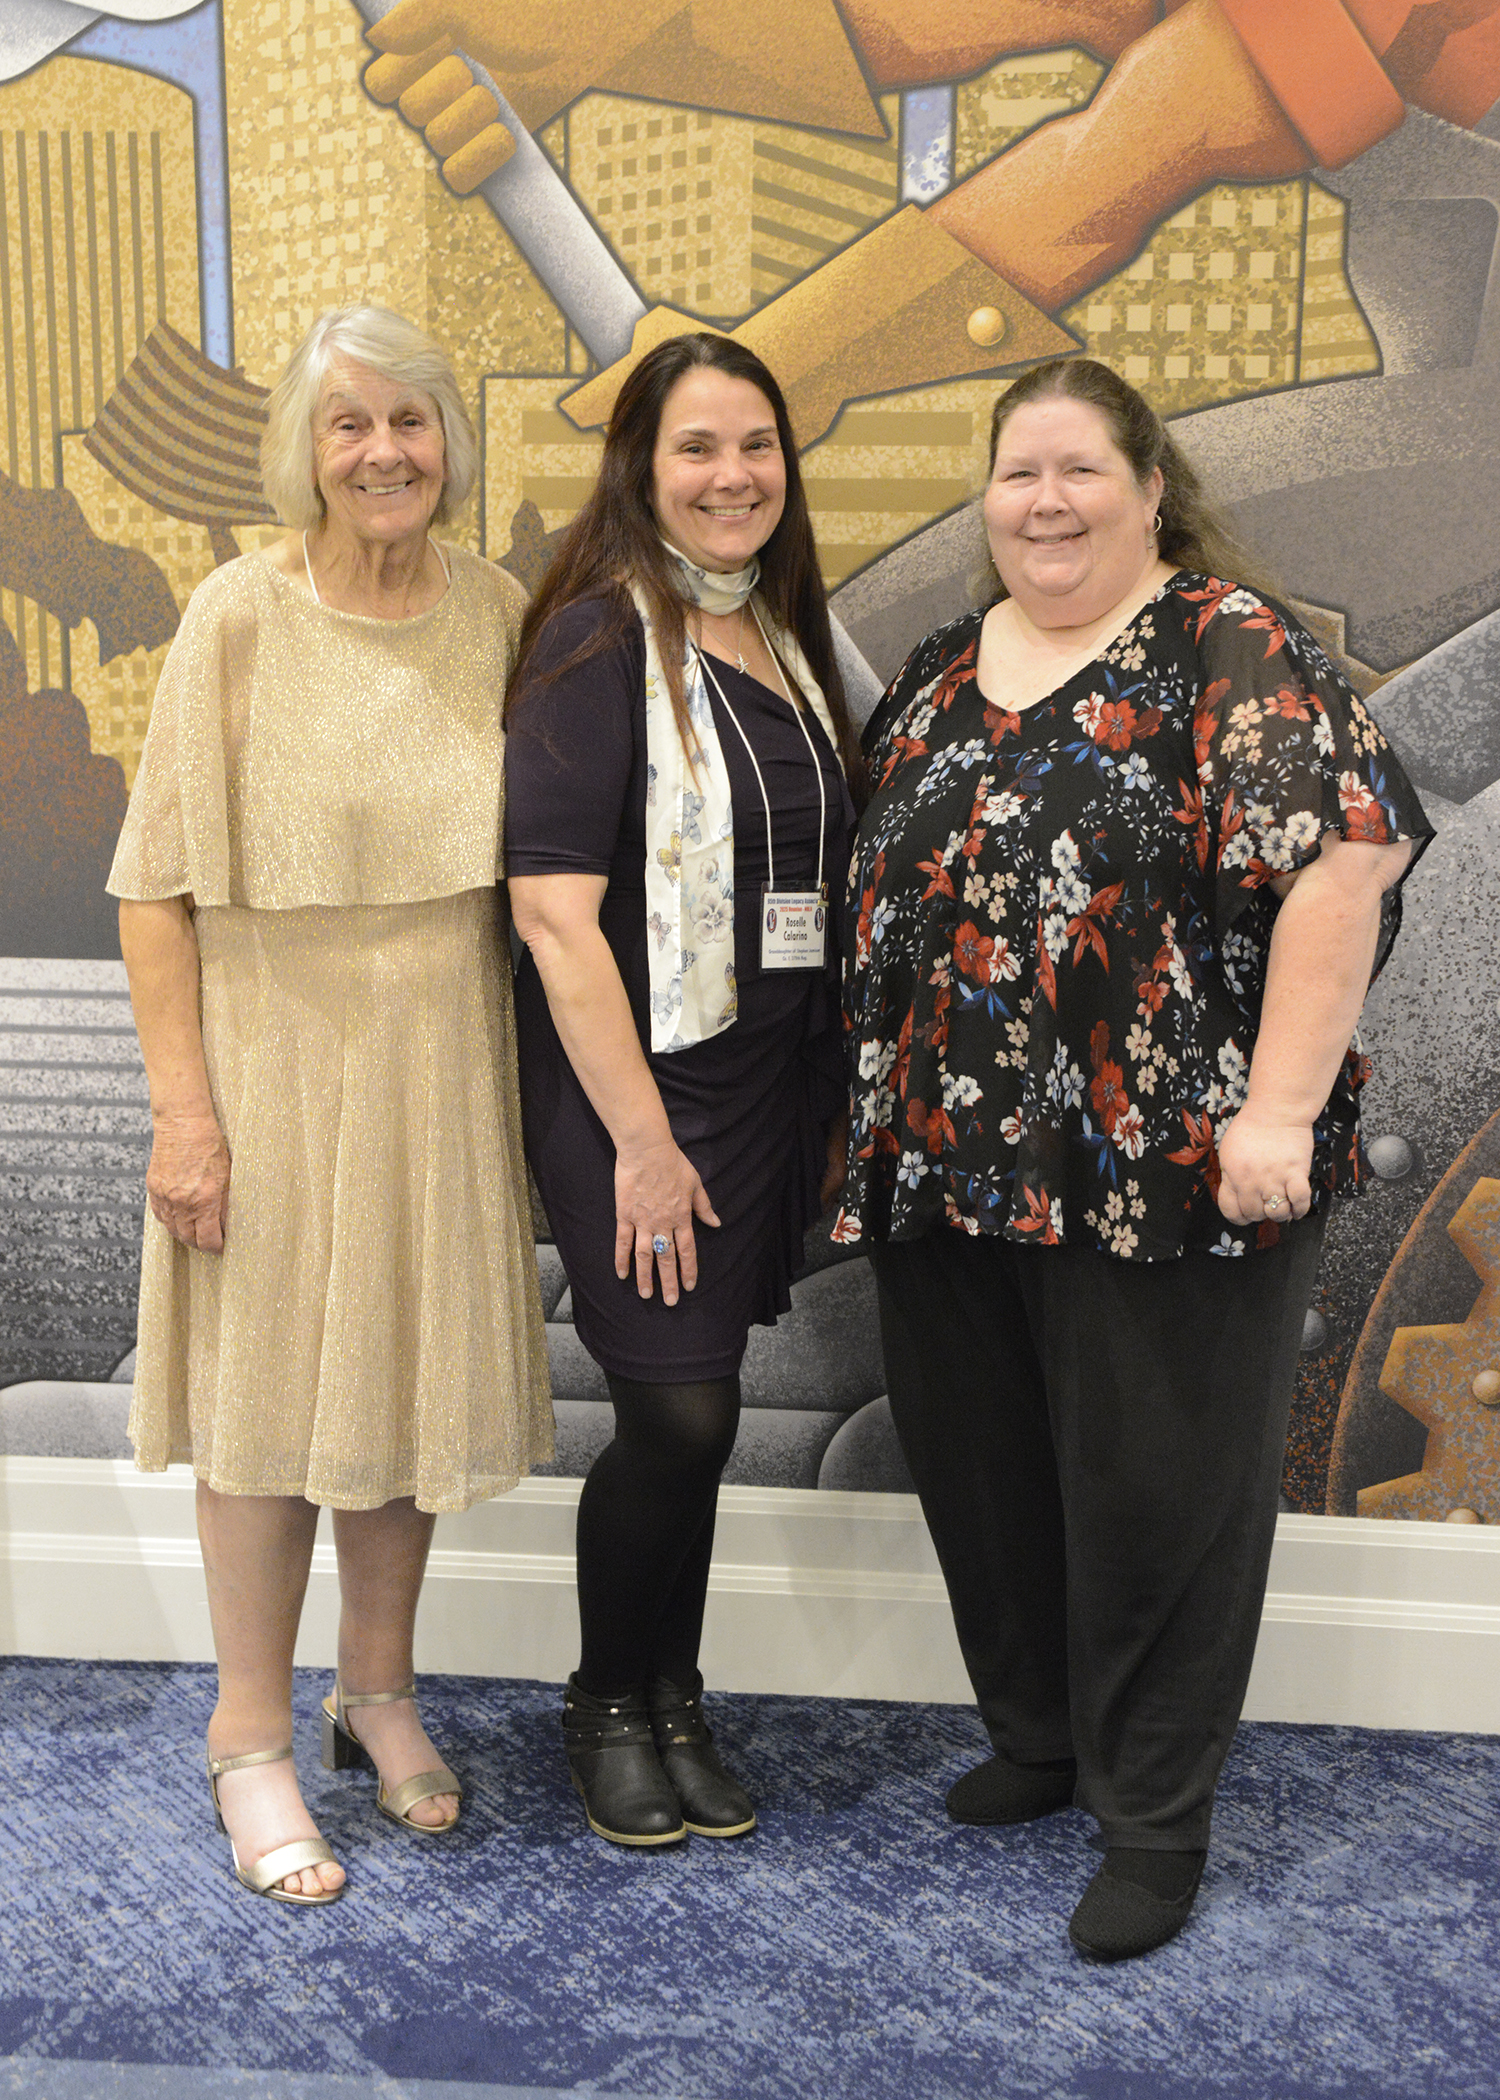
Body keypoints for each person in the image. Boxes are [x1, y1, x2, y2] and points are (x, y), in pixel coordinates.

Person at [833, 356, 1430, 1960]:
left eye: (1080, 470)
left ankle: (1154, 1820)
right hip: (951, 1156)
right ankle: (1040, 1736)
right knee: (986, 1470)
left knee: (1158, 1494)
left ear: (1148, 486)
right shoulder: (948, 664)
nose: (1046, 501)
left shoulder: (1223, 642)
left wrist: (1280, 1118)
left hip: (1170, 1165)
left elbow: (1344, 862)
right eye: (1018, 473)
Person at [109, 305, 553, 1905]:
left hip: (441, 1059)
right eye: (349, 424)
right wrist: (185, 1115)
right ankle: (248, 1736)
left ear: (450, 442)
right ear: (304, 450)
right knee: (264, 1407)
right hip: (270, 1066)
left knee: (398, 1393)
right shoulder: (236, 615)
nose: (384, 453)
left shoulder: (501, 609)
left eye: (412, 422)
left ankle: (378, 1695)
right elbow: (151, 892)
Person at [504, 333, 860, 1846]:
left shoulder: (779, 633)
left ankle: (675, 1697)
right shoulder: (597, 641)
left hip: (764, 1086)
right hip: (635, 1098)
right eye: (699, 448)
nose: (734, 477)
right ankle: (603, 1701)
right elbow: (550, 915)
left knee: (696, 1417)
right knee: (683, 1421)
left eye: (758, 445)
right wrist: (642, 1147)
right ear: (642, 468)